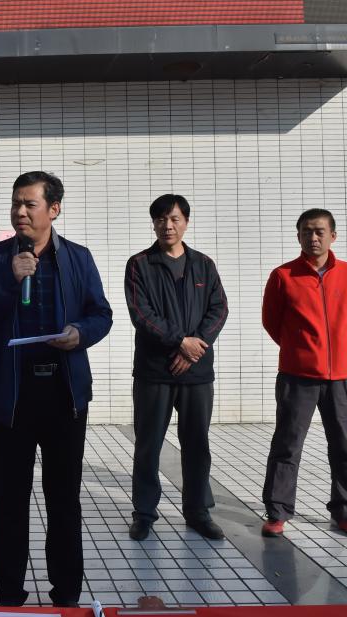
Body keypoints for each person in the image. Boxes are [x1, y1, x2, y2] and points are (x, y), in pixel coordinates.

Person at [0, 171, 112, 608]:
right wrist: (10, 279)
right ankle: (9, 594)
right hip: (12, 395)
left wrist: (80, 334)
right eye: (16, 203)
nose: (21, 212)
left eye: (30, 204)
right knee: (10, 499)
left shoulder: (79, 258)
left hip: (64, 393)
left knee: (64, 498)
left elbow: (101, 314)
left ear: (54, 209)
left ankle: (66, 594)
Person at [124, 194, 228, 541]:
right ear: (153, 224)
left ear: (186, 222)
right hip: (155, 370)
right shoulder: (140, 264)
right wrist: (180, 342)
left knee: (197, 444)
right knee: (148, 445)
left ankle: (198, 512)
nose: (167, 226)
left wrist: (194, 347)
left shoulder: (204, 265)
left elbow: (219, 309)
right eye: (161, 220)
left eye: (174, 219)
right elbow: (141, 314)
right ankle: (144, 513)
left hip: (196, 371)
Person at [261, 209, 347, 538]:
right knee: (287, 445)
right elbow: (272, 321)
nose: (313, 237)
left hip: (340, 377)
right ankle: (277, 512)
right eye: (307, 231)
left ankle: (346, 512)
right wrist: (301, 349)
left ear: (333, 236)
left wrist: (333, 347)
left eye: (320, 231)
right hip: (297, 375)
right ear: (298, 236)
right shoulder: (283, 276)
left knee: (344, 447)